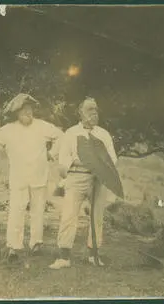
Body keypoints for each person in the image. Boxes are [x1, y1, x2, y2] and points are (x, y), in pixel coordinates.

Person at [0, 93, 64, 262]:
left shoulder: (42, 126)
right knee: (16, 210)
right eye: (24, 111)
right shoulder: (8, 130)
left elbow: (60, 137)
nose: (28, 113)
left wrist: (51, 153)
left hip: (39, 175)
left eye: (30, 110)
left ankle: (36, 243)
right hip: (18, 177)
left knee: (37, 211)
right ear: (17, 113)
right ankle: (13, 246)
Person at [49, 97, 118, 269]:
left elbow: (113, 160)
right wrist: (67, 168)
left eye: (95, 110)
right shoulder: (71, 133)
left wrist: (101, 168)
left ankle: (93, 254)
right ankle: (64, 257)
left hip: (97, 179)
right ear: (80, 113)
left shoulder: (104, 134)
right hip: (76, 176)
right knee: (69, 215)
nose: (94, 113)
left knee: (97, 217)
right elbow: (64, 159)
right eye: (90, 110)